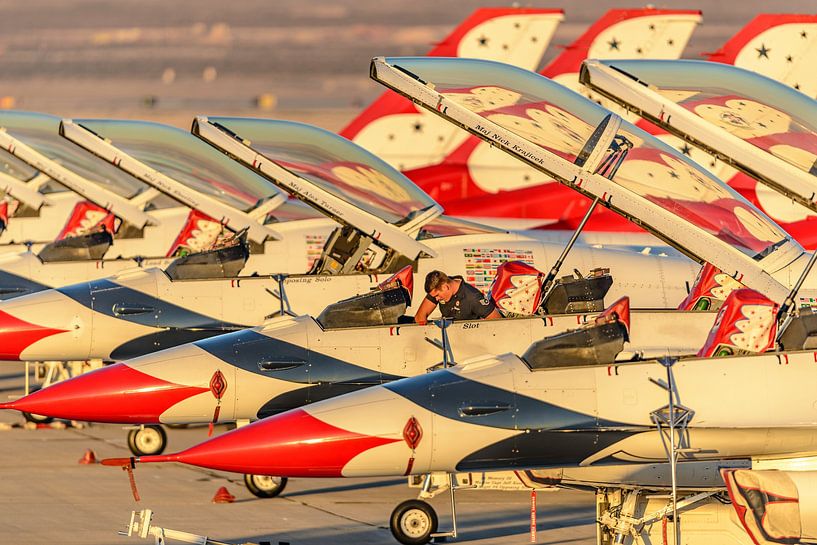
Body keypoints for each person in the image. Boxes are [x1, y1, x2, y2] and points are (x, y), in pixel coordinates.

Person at [414, 270, 501, 325]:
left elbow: (499, 322)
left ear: (445, 287)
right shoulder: (438, 288)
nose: (436, 299)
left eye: (437, 296)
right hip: (446, 337)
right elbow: (419, 317)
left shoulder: (473, 297)